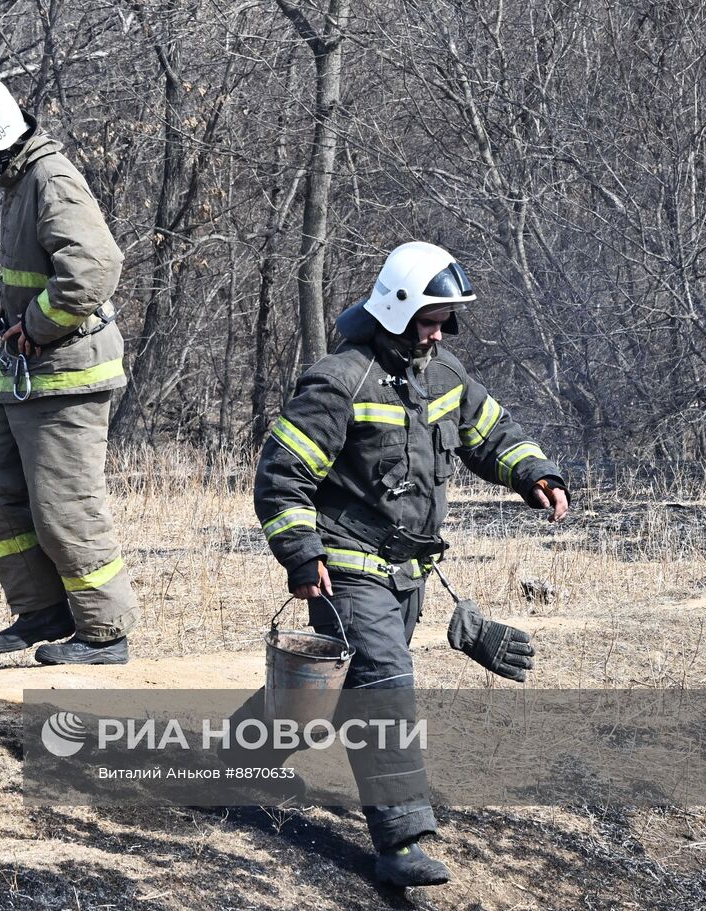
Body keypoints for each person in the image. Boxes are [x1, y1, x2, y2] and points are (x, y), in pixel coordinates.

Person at [253, 241, 570, 888]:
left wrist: (534, 472)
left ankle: (227, 758)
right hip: (345, 566)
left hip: (409, 574)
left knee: (334, 688)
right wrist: (301, 553)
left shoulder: (443, 375)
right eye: (429, 318)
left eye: (444, 320)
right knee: (384, 681)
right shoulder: (338, 379)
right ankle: (402, 840)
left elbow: (492, 431)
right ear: (395, 309)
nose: (438, 331)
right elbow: (281, 476)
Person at [0, 74, 138, 666]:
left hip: (66, 373)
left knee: (65, 505)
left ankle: (105, 633)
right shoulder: (18, 182)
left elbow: (96, 267)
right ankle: (43, 609)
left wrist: (39, 324)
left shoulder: (51, 179)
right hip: (22, 371)